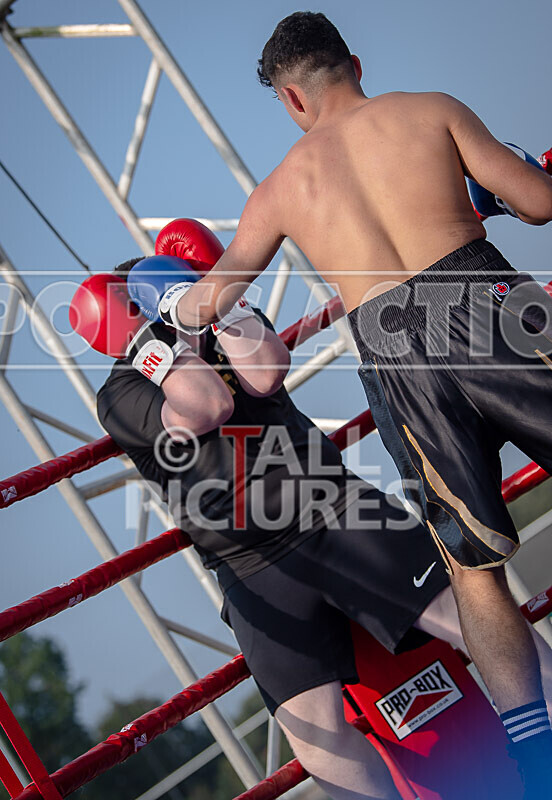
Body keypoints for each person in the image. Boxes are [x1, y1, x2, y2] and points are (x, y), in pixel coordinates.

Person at [157, 13, 552, 797]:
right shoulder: (428, 109)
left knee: (474, 571)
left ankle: (536, 761)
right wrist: (491, 189)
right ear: (354, 64)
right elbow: (538, 202)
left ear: (292, 102)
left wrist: (159, 307)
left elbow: (210, 302)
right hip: (486, 299)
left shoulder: (278, 191)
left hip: (394, 353)